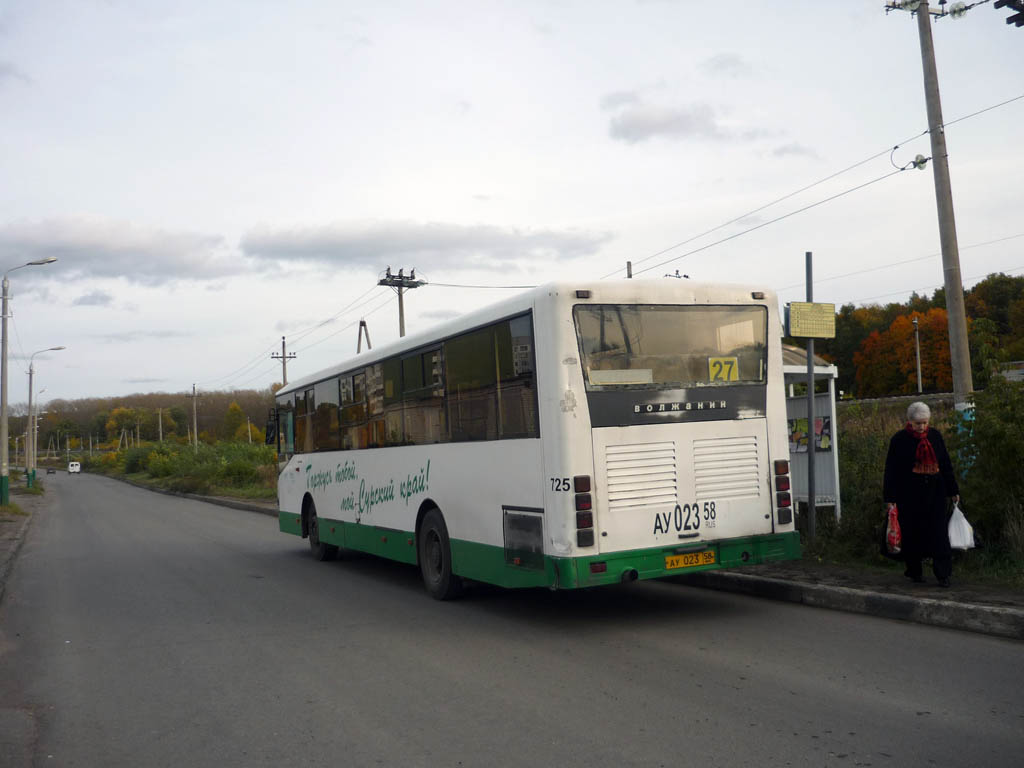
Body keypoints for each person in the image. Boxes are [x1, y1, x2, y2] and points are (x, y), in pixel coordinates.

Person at [883, 402, 960, 587]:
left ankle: (943, 574)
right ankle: (914, 571)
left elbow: (946, 464)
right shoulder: (899, 440)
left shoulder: (935, 437)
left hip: (935, 492)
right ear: (910, 421)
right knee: (912, 533)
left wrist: (953, 490)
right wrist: (890, 498)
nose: (922, 427)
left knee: (939, 533)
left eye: (925, 422)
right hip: (909, 494)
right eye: (918, 423)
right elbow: (891, 470)